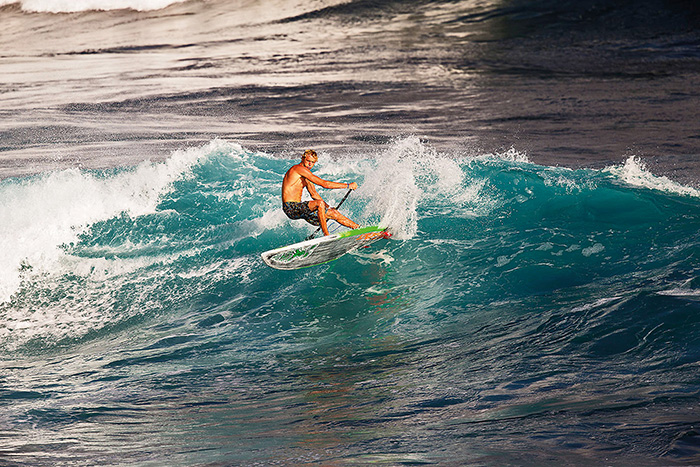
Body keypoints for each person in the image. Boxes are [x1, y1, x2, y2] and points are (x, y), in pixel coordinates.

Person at [282, 149, 359, 236]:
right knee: (319, 204)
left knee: (333, 213)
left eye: (313, 162)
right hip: (291, 207)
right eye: (308, 161)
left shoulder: (306, 175)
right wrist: (348, 185)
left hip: (300, 210)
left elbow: (314, 194)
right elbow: (324, 184)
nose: (310, 164)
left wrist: (328, 207)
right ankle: (326, 235)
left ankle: (360, 230)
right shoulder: (298, 169)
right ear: (302, 158)